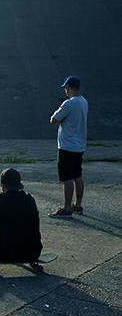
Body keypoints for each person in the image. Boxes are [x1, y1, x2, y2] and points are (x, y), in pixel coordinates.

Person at [48, 76, 88, 218]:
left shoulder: (68, 104)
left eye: (66, 87)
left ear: (68, 88)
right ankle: (77, 205)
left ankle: (66, 208)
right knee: (77, 174)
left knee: (67, 177)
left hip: (67, 146)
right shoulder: (84, 102)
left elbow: (54, 120)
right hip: (79, 145)